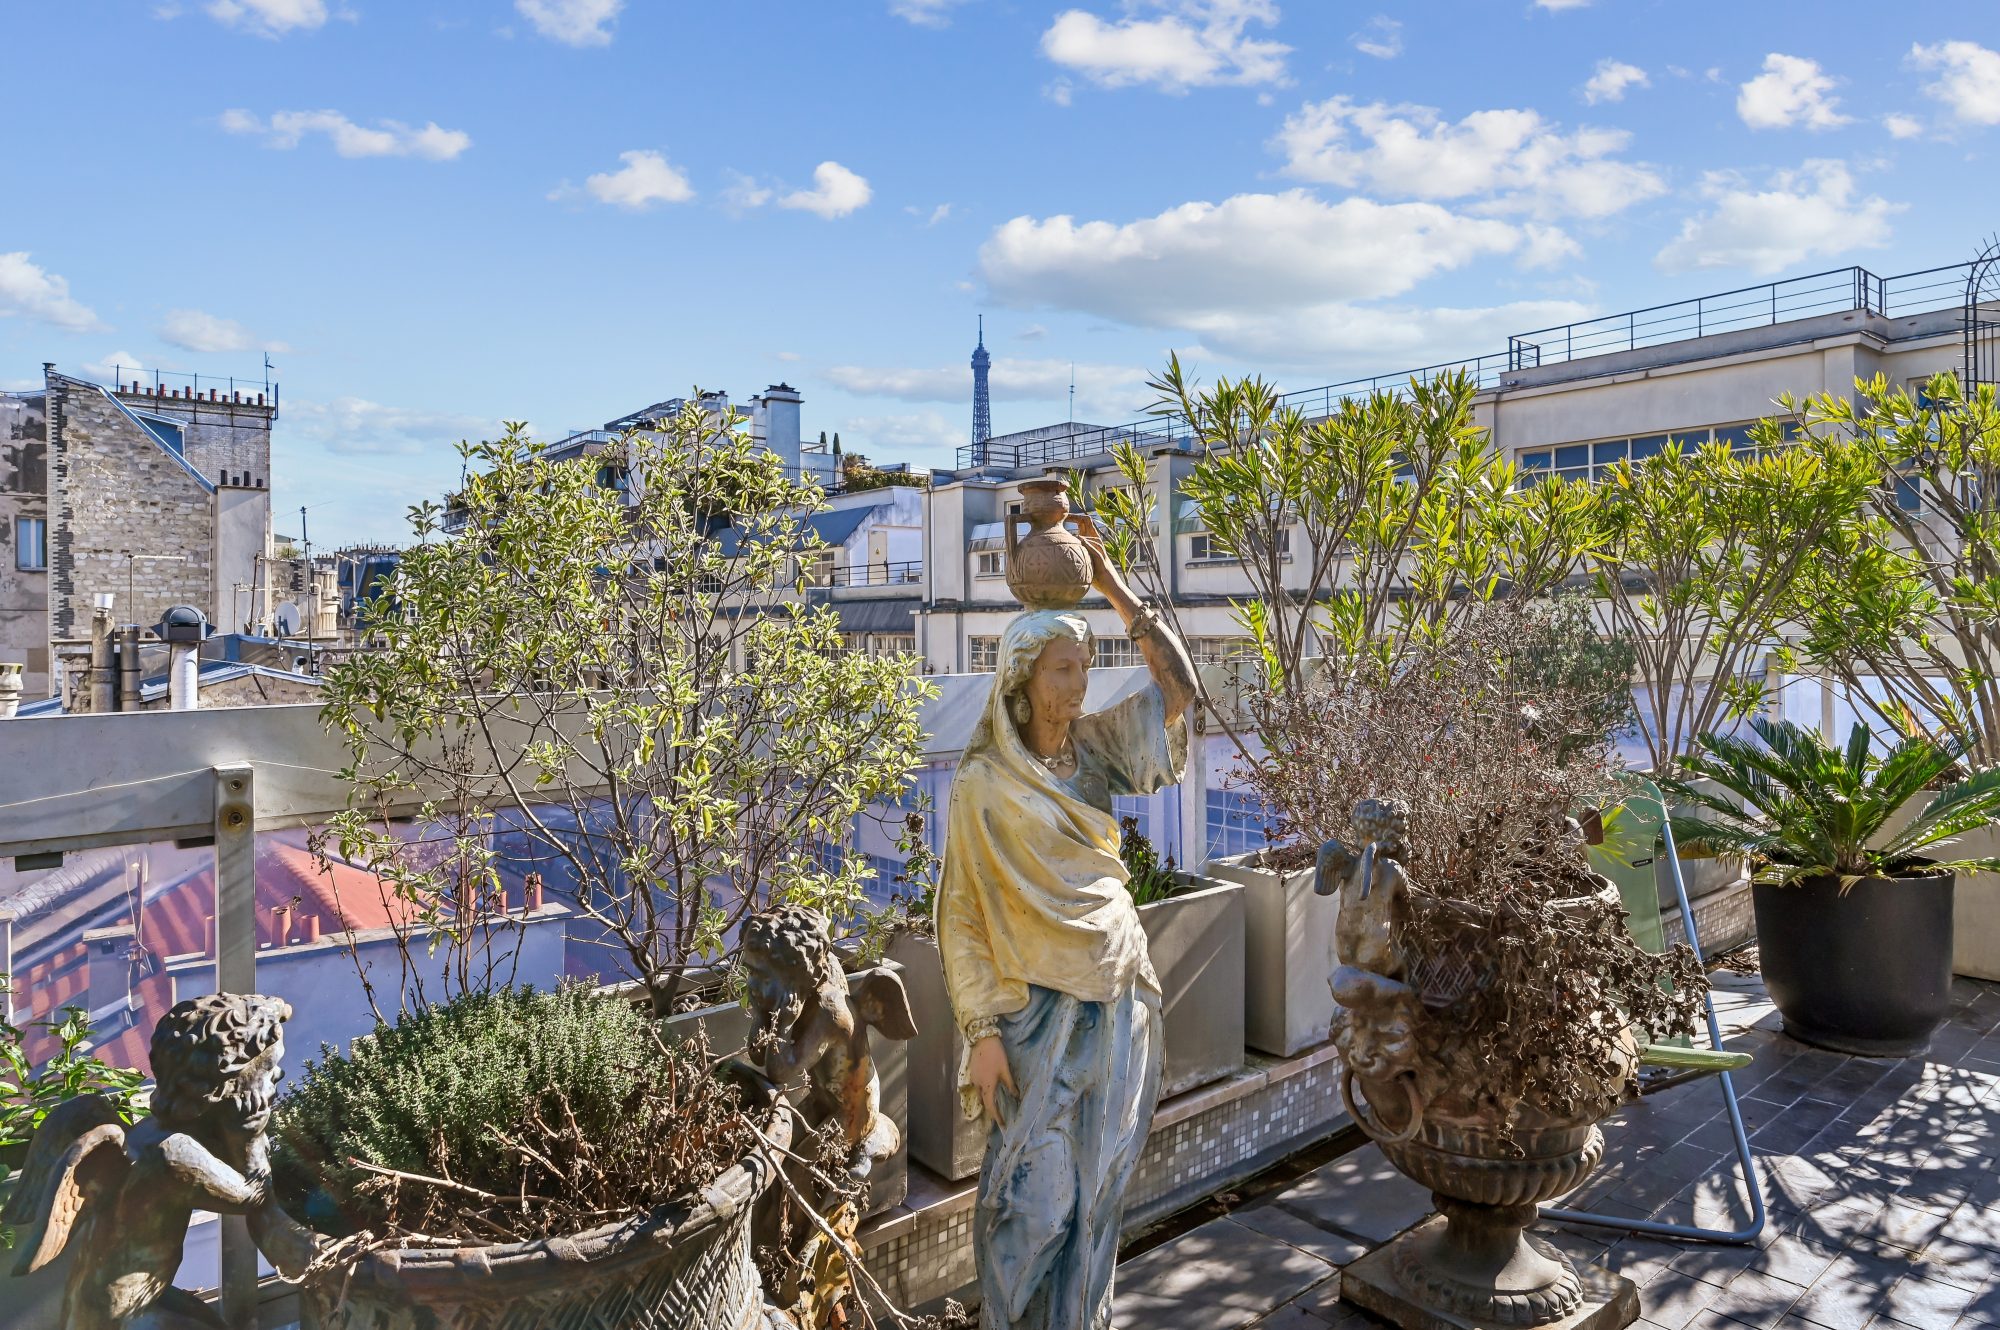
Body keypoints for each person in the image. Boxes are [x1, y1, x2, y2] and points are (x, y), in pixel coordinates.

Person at [936, 526, 1197, 1330]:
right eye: (1063, 669)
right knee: (1034, 1202)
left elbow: (1181, 693)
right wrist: (980, 1031)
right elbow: (962, 918)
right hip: (1031, 1015)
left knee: (1101, 1191)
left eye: (1085, 666)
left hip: (1117, 991)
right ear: (1021, 679)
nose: (1080, 685)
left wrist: (1114, 585)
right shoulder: (981, 785)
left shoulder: (1094, 750)